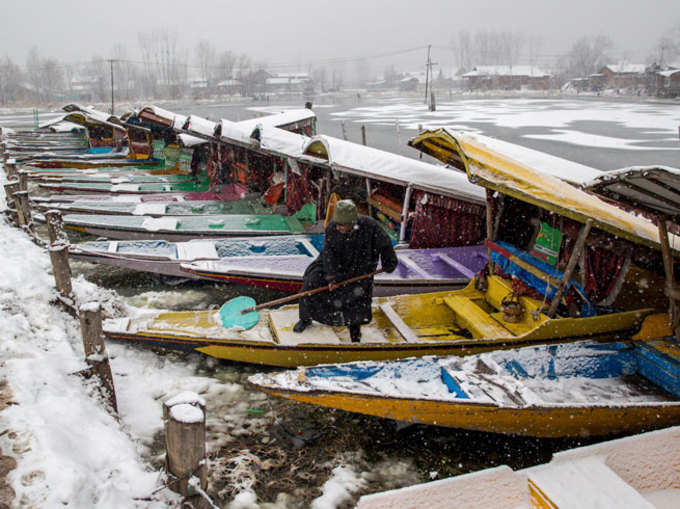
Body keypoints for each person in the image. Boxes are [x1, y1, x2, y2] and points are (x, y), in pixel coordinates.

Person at [293, 199, 398, 342]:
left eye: (342, 225)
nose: (338, 228)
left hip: (360, 267)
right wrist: (332, 277)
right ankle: (305, 318)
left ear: (352, 222)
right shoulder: (332, 228)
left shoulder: (370, 226)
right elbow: (329, 253)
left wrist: (389, 262)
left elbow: (385, 244)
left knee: (356, 297)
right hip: (332, 264)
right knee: (311, 282)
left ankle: (355, 335)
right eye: (337, 224)